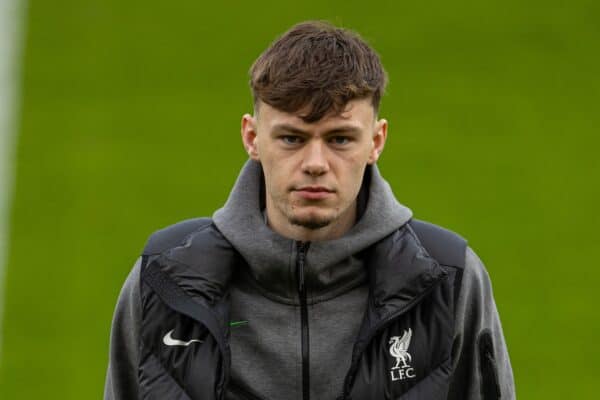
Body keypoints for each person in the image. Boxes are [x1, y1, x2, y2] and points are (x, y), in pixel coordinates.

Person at [104, 21, 515, 400]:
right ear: (252, 137)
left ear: (376, 141)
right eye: (291, 139)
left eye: (339, 139)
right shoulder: (165, 281)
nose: (315, 162)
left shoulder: (448, 279)